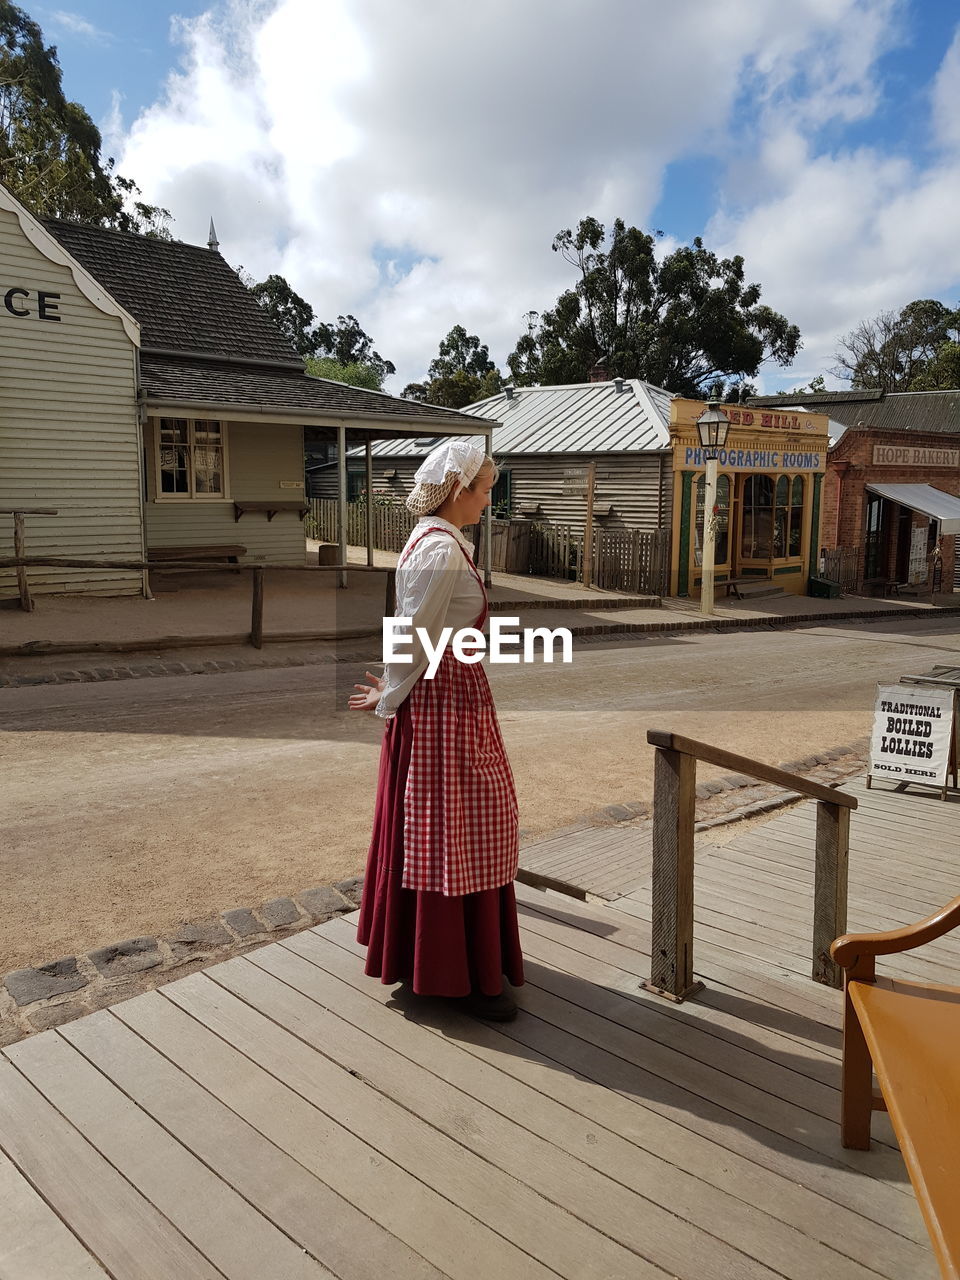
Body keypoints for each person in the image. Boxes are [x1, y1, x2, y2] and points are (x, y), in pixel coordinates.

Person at [348, 439, 524, 1020]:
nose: (487, 500)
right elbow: (413, 632)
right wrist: (390, 694)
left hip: (456, 698)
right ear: (456, 489)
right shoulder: (438, 550)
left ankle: (466, 962)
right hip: (440, 710)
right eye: (483, 490)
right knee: (455, 831)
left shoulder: (448, 544)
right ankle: (456, 973)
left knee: (473, 827)